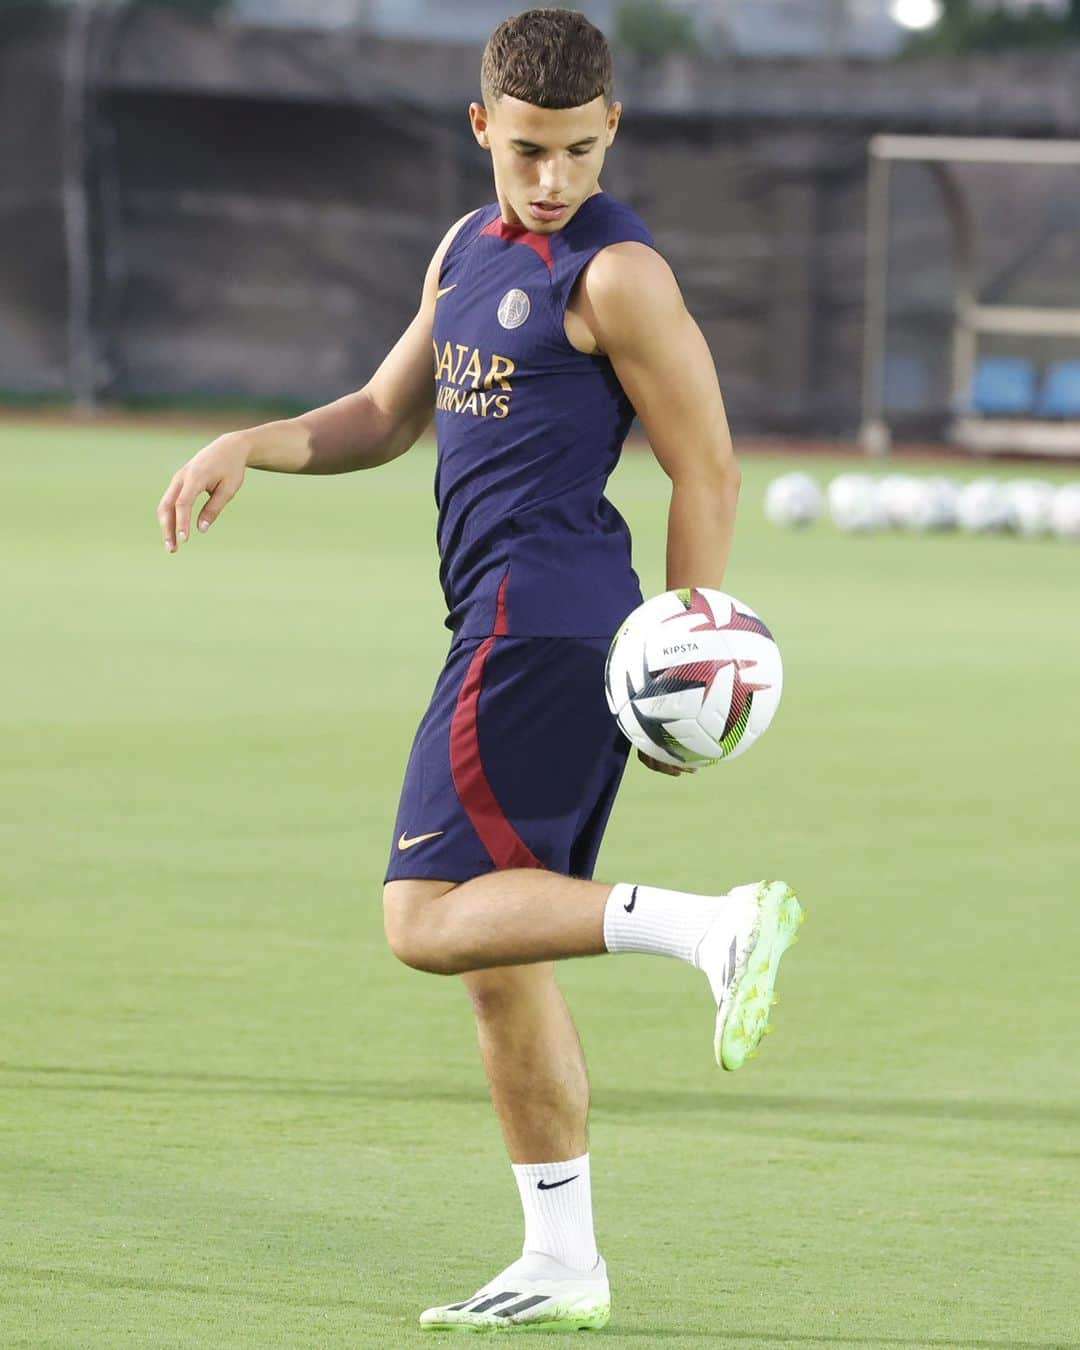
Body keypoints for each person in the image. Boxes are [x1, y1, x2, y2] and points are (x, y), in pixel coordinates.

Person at [157, 8, 803, 1334]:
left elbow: (709, 463)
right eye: (527, 153)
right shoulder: (464, 250)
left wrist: (692, 649)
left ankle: (711, 925)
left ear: (612, 127)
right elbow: (386, 414)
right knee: (498, 949)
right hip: (499, 622)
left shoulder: (619, 277)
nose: (553, 179)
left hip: (546, 625)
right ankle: (563, 1259)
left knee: (421, 917)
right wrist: (250, 443)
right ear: (481, 130)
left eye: (575, 150)